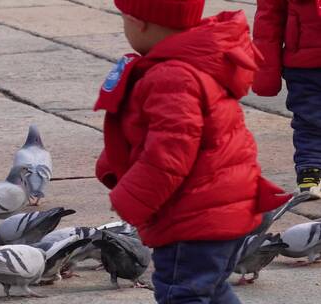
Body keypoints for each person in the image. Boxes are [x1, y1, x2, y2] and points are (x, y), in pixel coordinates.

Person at [93, 0, 290, 303]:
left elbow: (169, 153)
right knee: (211, 290)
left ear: (140, 22)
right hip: (222, 211)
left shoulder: (172, 76)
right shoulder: (195, 61)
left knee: (182, 293)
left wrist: (131, 199)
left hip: (193, 220)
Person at [253, 0, 321, 198]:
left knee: (308, 120)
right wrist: (265, 76)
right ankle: (311, 169)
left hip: (302, 60)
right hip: (304, 64)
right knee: (309, 119)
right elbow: (268, 21)